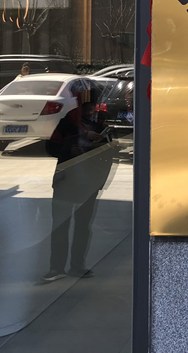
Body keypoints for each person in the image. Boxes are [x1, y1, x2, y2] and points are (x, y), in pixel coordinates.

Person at [42, 95, 113, 282]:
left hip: (89, 183)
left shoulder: (101, 125)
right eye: (87, 109)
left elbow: (108, 154)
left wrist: (100, 182)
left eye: (93, 109)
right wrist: (76, 142)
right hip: (65, 183)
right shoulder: (67, 123)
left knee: (83, 226)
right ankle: (56, 267)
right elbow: (51, 148)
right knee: (60, 226)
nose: (91, 113)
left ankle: (77, 265)